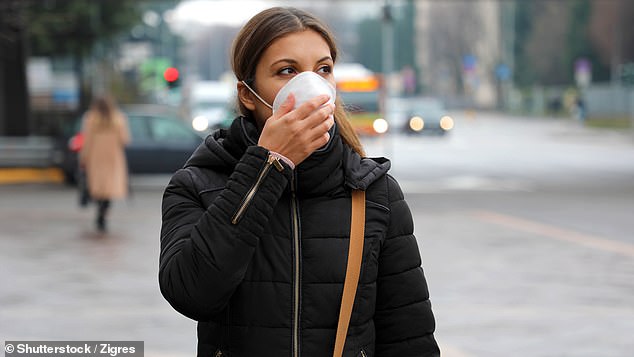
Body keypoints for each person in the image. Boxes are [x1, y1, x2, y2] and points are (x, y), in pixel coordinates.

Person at [159, 7, 439, 357]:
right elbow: (192, 293)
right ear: (248, 94)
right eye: (287, 71)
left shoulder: (374, 192)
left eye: (323, 69)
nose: (312, 85)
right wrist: (266, 167)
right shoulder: (198, 184)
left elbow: (409, 337)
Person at [79, 95, 130, 232]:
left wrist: (83, 157)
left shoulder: (90, 119)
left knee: (98, 186)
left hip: (96, 157)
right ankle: (104, 213)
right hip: (113, 157)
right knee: (109, 187)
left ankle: (99, 210)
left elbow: (87, 141)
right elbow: (125, 140)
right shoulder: (118, 119)